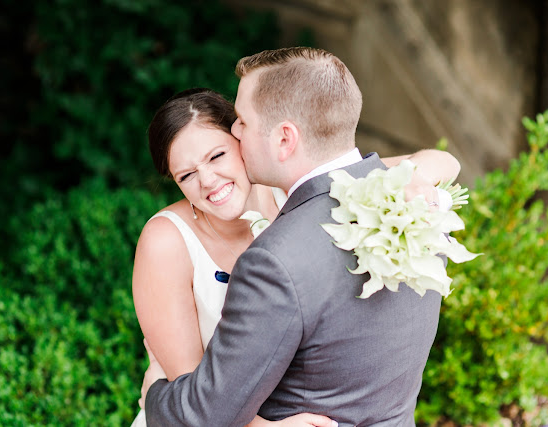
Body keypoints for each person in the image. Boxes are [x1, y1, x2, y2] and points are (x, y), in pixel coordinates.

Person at [135, 48, 460, 426]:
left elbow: (443, 162)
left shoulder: (344, 201)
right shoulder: (169, 241)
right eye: (185, 175)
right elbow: (201, 400)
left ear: (263, 142)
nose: (207, 181)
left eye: (220, 151)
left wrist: (410, 180)